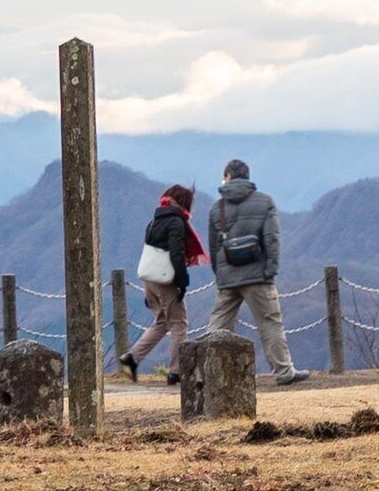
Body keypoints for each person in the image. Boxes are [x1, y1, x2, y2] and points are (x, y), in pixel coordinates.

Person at [205, 158, 311, 388]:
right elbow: (272, 238)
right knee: (270, 322)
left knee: (218, 326)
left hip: (228, 276)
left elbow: (213, 247)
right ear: (247, 176)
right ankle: (284, 371)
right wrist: (270, 270)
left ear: (229, 177)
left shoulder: (217, 207)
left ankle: (204, 373)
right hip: (257, 275)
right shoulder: (265, 202)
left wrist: (220, 274)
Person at [118, 183, 201, 381]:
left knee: (162, 322)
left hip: (149, 279)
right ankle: (177, 371)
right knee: (179, 325)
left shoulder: (154, 221)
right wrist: (182, 282)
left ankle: (131, 360)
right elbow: (176, 254)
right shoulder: (176, 223)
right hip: (166, 281)